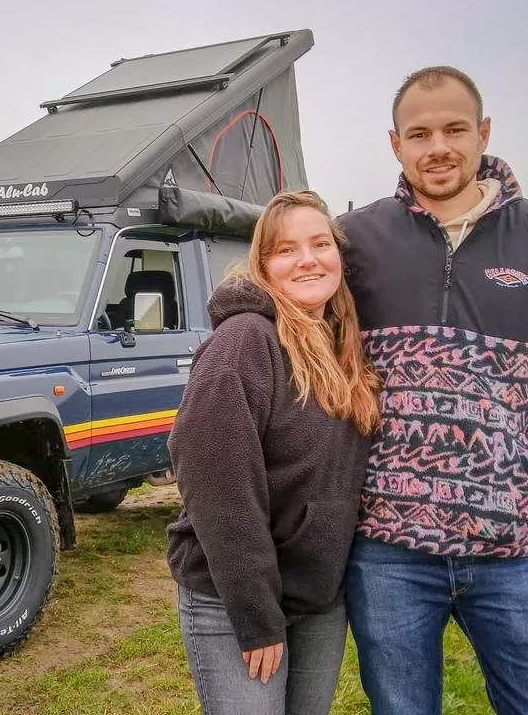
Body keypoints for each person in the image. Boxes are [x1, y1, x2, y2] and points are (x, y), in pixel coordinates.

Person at [336, 65, 528, 714]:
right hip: (387, 553)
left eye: (454, 129)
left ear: (483, 132)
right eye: (420, 133)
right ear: (396, 144)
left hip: (512, 549)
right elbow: (294, 315)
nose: (437, 146)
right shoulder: (355, 239)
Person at [166, 189, 381, 714]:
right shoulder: (245, 341)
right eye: (286, 250)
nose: (307, 259)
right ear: (264, 266)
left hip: (317, 596)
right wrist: (256, 614)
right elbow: (215, 483)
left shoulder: (343, 348)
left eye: (319, 244)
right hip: (235, 597)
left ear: (338, 256)